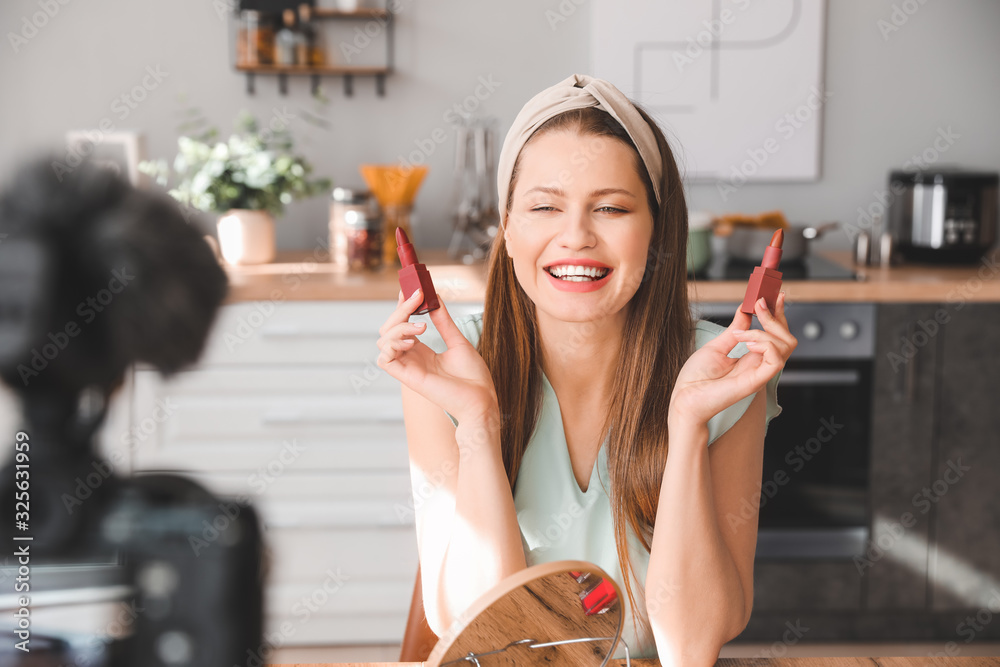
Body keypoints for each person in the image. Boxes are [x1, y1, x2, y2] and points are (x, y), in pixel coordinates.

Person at [376, 73, 797, 665]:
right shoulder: (446, 370)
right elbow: (479, 636)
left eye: (610, 208)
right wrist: (475, 422)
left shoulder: (725, 374)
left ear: (656, 231)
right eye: (544, 206)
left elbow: (693, 644)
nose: (575, 237)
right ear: (509, 230)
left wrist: (688, 426)